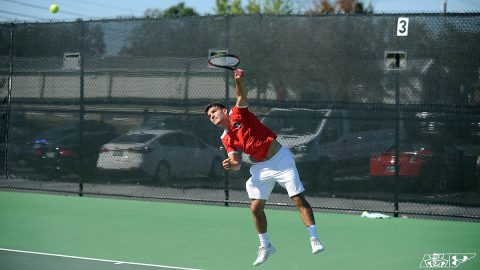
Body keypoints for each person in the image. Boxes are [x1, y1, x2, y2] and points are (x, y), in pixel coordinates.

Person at [205, 68, 324, 266]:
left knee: (297, 199)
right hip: (261, 167)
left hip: (281, 159)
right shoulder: (225, 138)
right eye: (209, 116)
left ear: (224, 111)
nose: (212, 116)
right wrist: (231, 165)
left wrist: (239, 79)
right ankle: (266, 246)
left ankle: (314, 238)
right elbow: (235, 163)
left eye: (213, 112)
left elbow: (241, 94)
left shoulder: (238, 114)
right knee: (255, 208)